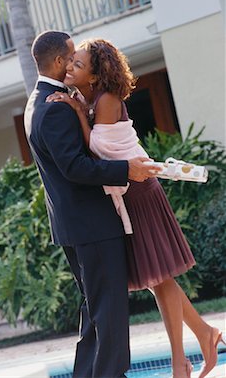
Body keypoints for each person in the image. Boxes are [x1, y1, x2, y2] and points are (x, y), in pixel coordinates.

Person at [46, 38, 224, 378]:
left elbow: (97, 150)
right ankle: (204, 335)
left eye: (78, 65)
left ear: (95, 76)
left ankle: (180, 363)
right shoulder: (88, 97)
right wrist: (79, 107)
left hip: (140, 195)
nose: (70, 67)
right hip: (128, 194)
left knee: (160, 277)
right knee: (158, 278)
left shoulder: (108, 100)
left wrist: (78, 113)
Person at [24, 30, 161, 378]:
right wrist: (126, 169)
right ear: (57, 62)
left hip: (77, 226)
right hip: (92, 226)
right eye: (70, 57)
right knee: (109, 313)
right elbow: (75, 167)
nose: (73, 63)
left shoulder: (39, 101)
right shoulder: (53, 108)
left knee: (97, 315)